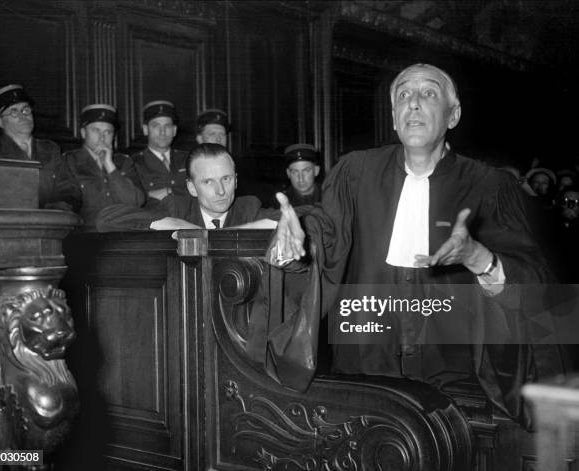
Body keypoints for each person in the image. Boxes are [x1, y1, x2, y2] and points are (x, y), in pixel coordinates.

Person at [269, 63, 559, 425]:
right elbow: (327, 242)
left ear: (453, 115)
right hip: (365, 372)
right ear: (393, 118)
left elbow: (538, 285)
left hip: (458, 383)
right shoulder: (355, 172)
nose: (415, 103)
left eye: (429, 93)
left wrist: (482, 259)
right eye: (404, 94)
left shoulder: (489, 185)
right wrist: (301, 239)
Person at [96, 143, 277, 231]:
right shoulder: (176, 208)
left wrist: (231, 234)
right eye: (208, 182)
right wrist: (173, 223)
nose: (221, 190)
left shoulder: (249, 208)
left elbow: (302, 216)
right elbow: (106, 219)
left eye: (226, 179)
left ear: (236, 181)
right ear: (191, 187)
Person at [0, 84, 78, 210]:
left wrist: (57, 209)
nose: (23, 116)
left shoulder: (50, 149)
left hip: (49, 223)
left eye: (25, 110)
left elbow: (68, 190)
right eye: (13, 112)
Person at [59, 104, 144, 231]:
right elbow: (65, 208)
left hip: (123, 235)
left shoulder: (124, 161)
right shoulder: (69, 161)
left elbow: (136, 201)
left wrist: (110, 166)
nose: (102, 137)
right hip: (85, 236)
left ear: (113, 136)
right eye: (95, 130)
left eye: (107, 132)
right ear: (83, 133)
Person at [132, 100, 188, 201]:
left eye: (167, 126)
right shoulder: (133, 164)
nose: (162, 132)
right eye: (156, 126)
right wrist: (148, 195)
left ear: (174, 130)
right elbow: (131, 199)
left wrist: (170, 191)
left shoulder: (188, 159)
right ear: (145, 129)